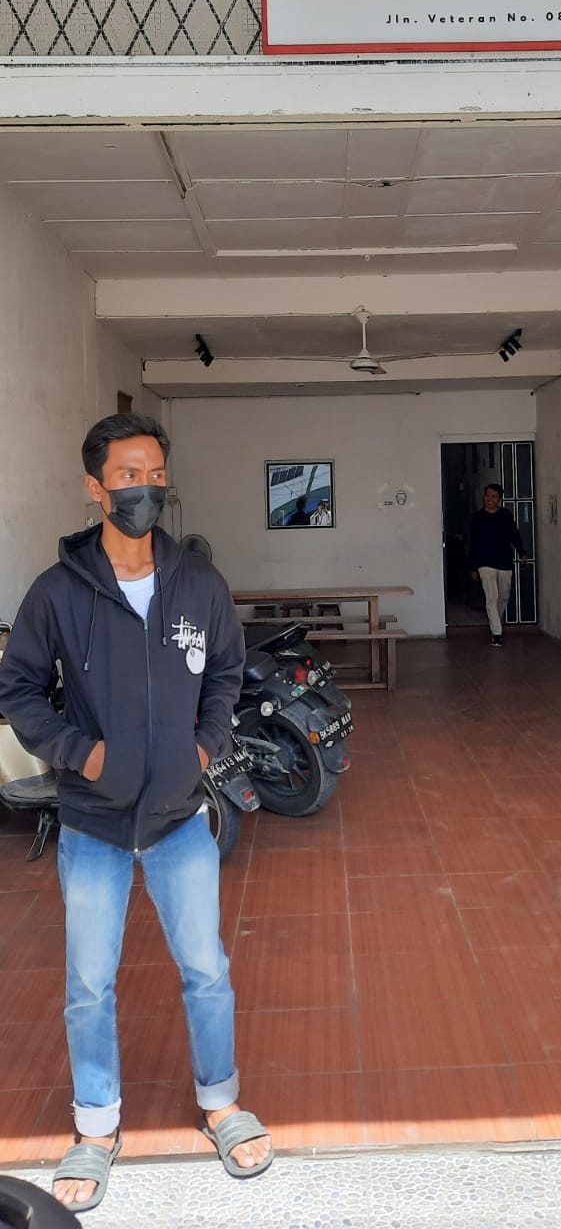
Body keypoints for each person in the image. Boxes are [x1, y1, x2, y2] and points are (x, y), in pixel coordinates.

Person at [0, 413, 272, 1213]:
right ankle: (96, 1127)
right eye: (127, 476)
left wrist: (203, 746)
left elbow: (226, 671)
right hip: (93, 823)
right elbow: (19, 690)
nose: (143, 488)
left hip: (180, 818)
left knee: (206, 969)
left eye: (154, 474)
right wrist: (81, 754)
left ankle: (221, 1103)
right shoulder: (57, 592)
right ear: (95, 488)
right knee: (89, 983)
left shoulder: (198, 583)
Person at [468, 482, 527, 647]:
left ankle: (496, 623)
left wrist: (522, 552)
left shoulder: (505, 515)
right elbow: (473, 542)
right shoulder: (478, 517)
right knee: (491, 597)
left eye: (494, 496)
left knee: (503, 596)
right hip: (485, 563)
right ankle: (496, 633)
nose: (490, 499)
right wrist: (472, 566)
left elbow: (514, 535)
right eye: (487, 496)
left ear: (499, 499)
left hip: (504, 562)